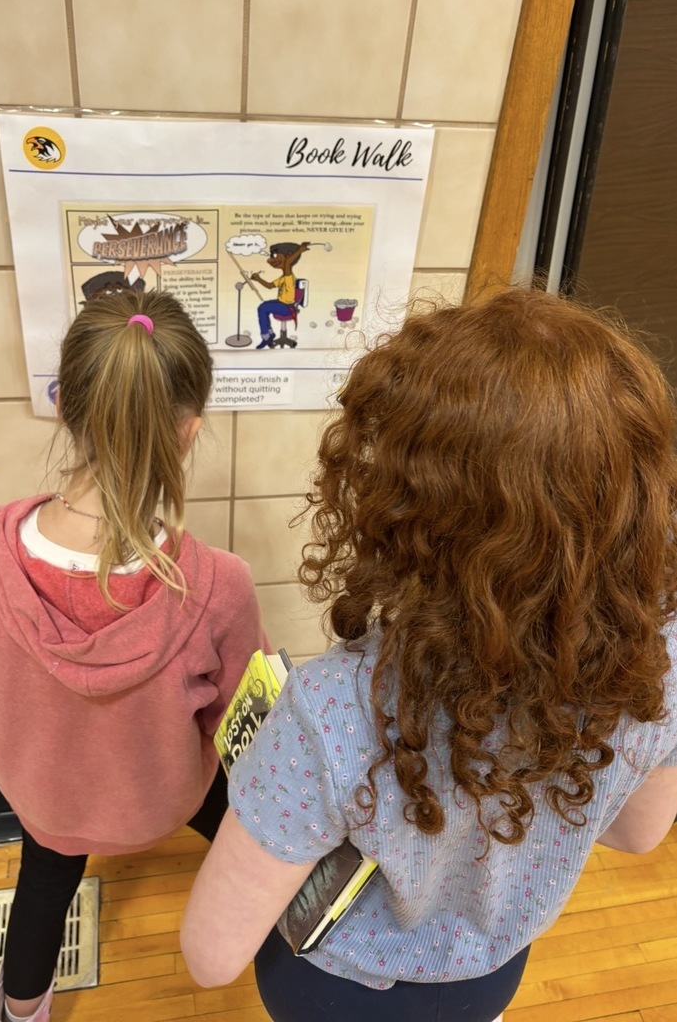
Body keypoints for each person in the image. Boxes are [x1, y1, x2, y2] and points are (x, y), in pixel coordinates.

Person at [180, 287, 677, 1022]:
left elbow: (210, 954)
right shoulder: (656, 655)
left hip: (333, 993)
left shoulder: (335, 710)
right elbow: (639, 834)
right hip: (487, 978)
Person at [0, 290, 267, 1022]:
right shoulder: (217, 584)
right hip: (169, 796)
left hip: (49, 802)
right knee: (271, 840)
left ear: (65, 405)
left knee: (42, 887)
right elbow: (247, 726)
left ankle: (17, 1010)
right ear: (187, 433)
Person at [251, 241, 310, 348]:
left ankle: (267, 336)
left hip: (287, 307)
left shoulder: (288, 276)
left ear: (288, 256)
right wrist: (258, 279)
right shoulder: (283, 278)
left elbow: (287, 263)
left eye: (275, 255)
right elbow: (269, 286)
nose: (271, 259)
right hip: (282, 304)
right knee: (264, 306)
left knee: (262, 308)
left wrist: (300, 250)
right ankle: (269, 334)